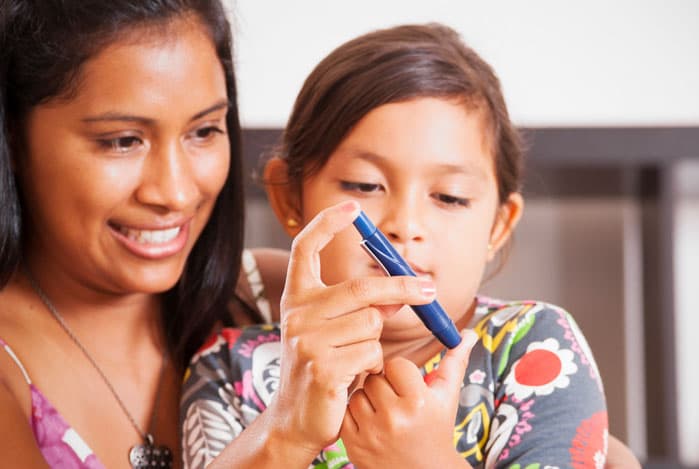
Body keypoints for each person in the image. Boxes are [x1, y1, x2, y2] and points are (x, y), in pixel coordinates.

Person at [181, 23, 613, 469]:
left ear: (498, 226)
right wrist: (288, 427)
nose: (404, 227)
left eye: (449, 197)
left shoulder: (534, 347)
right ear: (291, 199)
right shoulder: (230, 370)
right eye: (365, 185)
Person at [0, 0, 271, 467]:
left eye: (204, 131)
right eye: (123, 141)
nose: (177, 193)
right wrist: (281, 443)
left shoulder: (274, 296)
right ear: (14, 139)